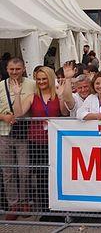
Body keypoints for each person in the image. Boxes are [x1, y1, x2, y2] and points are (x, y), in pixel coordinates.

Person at [13, 66, 72, 211]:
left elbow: (64, 113)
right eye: (38, 79)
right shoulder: (32, 97)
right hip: (36, 142)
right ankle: (44, 208)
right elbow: (18, 114)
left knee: (56, 174)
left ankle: (58, 207)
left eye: (44, 78)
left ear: (50, 78)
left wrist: (60, 97)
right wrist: (16, 95)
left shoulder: (57, 93)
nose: (41, 81)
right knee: (40, 175)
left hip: (54, 141)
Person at [0, 57, 36, 219]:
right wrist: (3, 117)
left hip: (23, 132)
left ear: (23, 69)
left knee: (24, 169)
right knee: (7, 171)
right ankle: (13, 204)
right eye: (11, 69)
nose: (14, 72)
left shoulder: (31, 84)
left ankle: (25, 201)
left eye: (17, 69)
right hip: (4, 132)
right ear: (7, 70)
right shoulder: (0, 86)